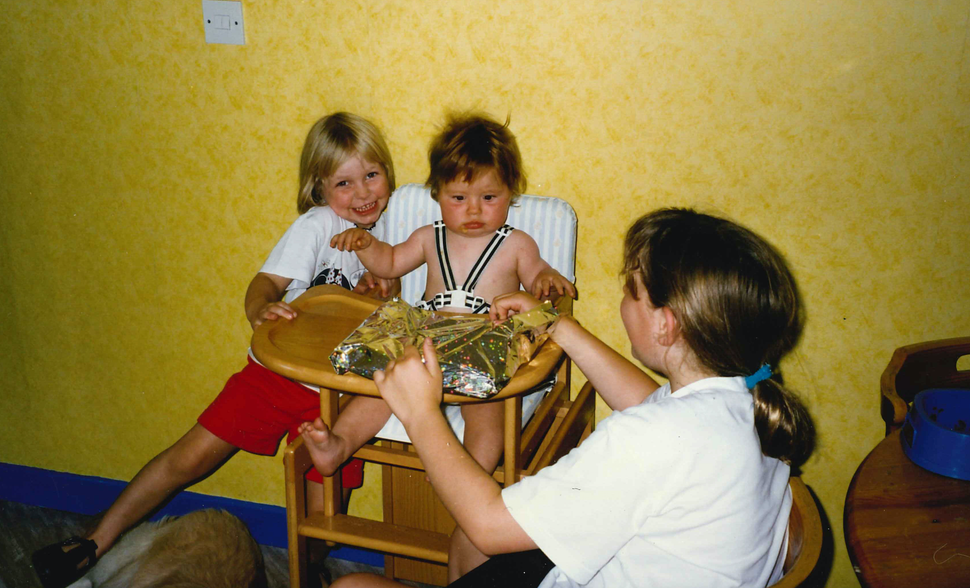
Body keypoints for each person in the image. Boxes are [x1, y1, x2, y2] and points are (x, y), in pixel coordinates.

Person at [332, 207, 816, 588]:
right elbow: (651, 402)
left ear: (666, 324)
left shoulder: (651, 441)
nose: (623, 299)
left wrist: (419, 412)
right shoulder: (737, 401)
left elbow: (488, 524)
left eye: (632, 291)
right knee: (469, 550)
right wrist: (559, 326)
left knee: (352, 585)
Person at [32, 112, 398, 588]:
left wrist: (376, 295)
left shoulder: (402, 231)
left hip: (339, 396)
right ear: (319, 187)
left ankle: (310, 569)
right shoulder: (318, 225)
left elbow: (391, 306)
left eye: (372, 175)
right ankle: (94, 542)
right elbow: (266, 281)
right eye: (345, 182)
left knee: (322, 521)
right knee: (190, 458)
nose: (363, 193)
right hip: (276, 378)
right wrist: (261, 308)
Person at [298, 113, 576, 581]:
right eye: (458, 198)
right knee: (378, 382)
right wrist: (366, 244)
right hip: (425, 338)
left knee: (486, 407)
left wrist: (548, 279)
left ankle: (465, 470)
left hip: (484, 342)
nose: (473, 211)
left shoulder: (517, 244)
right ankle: (338, 445)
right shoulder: (429, 238)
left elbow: (539, 283)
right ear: (437, 196)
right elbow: (390, 261)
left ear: (511, 194)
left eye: (490, 198)